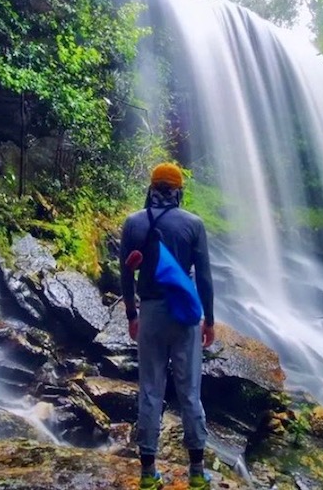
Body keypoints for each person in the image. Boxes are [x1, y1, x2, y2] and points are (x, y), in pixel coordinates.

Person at [120, 163, 216, 490]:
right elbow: (203, 277)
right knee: (189, 391)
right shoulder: (193, 224)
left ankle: (148, 474)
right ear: (178, 190)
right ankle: (198, 473)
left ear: (151, 187)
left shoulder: (133, 223)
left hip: (149, 313)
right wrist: (210, 321)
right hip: (184, 313)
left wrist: (132, 316)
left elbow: (125, 276)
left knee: (150, 389)